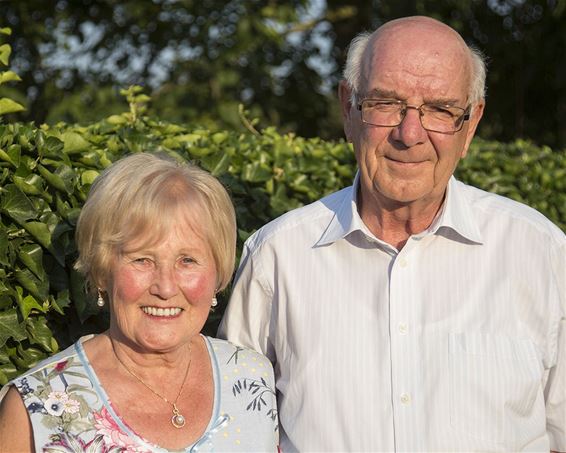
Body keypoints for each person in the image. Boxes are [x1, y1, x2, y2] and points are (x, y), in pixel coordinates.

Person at [218, 16, 565, 453]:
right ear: (348, 109)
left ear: (471, 123)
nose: (410, 134)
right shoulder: (276, 258)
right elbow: (235, 436)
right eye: (385, 103)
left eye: (439, 109)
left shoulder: (541, 253)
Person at [0, 153, 279, 452]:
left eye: (187, 260)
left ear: (217, 273)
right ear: (103, 271)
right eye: (142, 260)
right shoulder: (36, 405)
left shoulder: (252, 377)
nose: (165, 287)